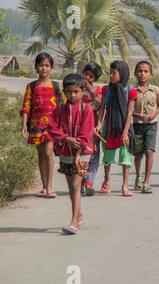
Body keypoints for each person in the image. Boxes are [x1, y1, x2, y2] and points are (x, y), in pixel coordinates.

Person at [48, 74, 94, 235]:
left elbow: (86, 133)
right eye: (68, 92)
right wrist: (64, 138)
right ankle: (79, 215)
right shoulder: (60, 109)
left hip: (82, 154)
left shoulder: (86, 109)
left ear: (82, 91)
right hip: (65, 152)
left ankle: (74, 222)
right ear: (64, 92)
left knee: (76, 185)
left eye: (75, 91)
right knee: (71, 187)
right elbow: (51, 127)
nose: (72, 95)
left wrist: (78, 153)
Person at [20, 52, 63, 198]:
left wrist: (62, 126)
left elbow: (61, 106)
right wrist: (24, 125)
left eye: (47, 65)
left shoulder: (56, 86)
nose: (44, 68)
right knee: (41, 155)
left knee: (48, 153)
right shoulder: (31, 86)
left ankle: (50, 187)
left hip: (51, 126)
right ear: (36, 67)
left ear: (51, 68)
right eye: (41, 65)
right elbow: (26, 106)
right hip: (36, 125)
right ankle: (44, 187)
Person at [94, 61, 138, 197]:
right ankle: (106, 180)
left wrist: (125, 133)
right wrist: (99, 124)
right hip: (110, 127)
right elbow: (102, 108)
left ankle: (125, 185)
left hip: (125, 127)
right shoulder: (107, 90)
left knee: (126, 157)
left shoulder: (131, 91)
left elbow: (130, 113)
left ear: (123, 74)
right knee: (108, 155)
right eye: (110, 73)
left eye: (114, 73)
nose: (111, 76)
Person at [133, 61, 159, 194]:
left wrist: (153, 114)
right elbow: (127, 109)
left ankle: (146, 181)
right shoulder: (132, 91)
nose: (142, 74)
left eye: (145, 71)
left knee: (149, 151)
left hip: (151, 125)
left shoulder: (155, 90)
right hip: (137, 125)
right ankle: (138, 176)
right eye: (140, 71)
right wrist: (136, 115)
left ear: (151, 74)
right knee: (138, 153)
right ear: (135, 73)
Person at [81, 62, 103, 196]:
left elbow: (100, 106)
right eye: (86, 74)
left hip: (93, 128)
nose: (88, 78)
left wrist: (91, 92)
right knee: (81, 155)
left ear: (95, 79)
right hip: (79, 129)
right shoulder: (76, 89)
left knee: (94, 155)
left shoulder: (98, 90)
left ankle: (89, 183)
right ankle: (81, 181)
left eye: (91, 76)